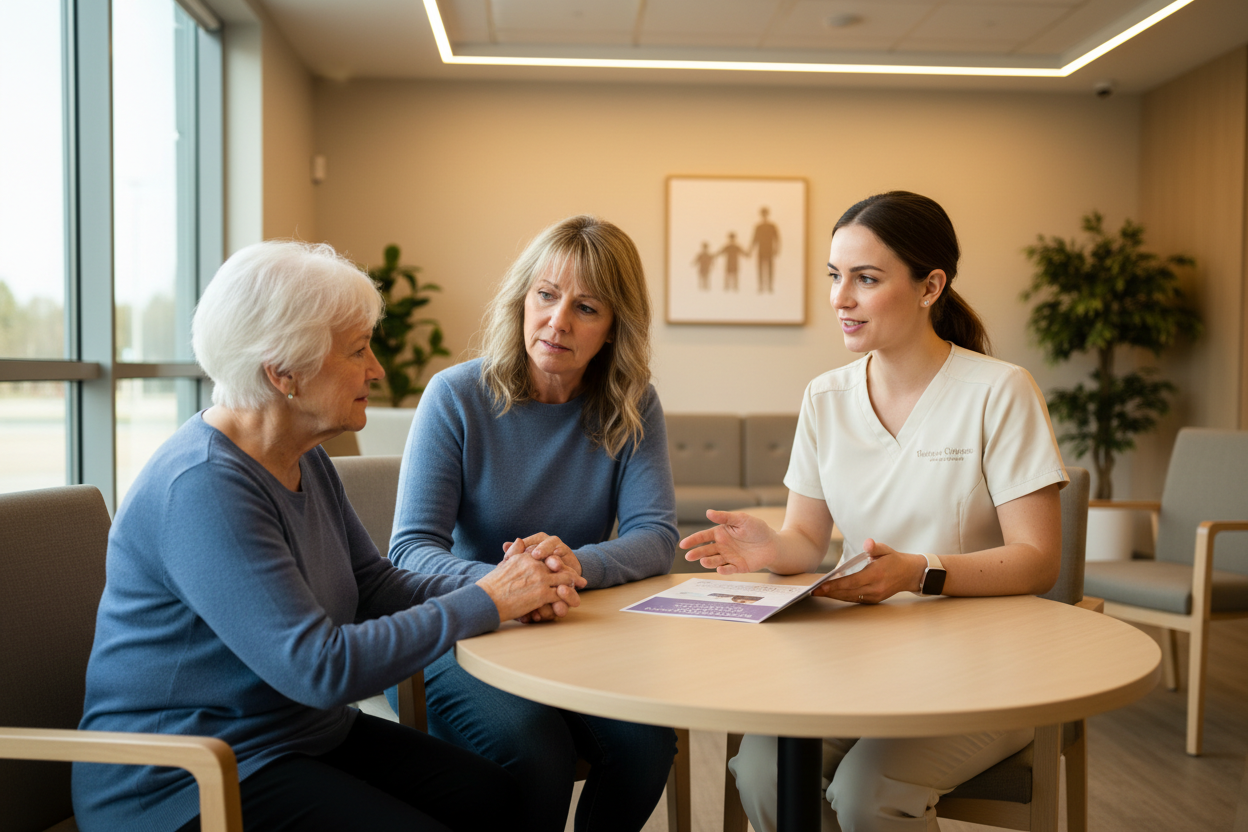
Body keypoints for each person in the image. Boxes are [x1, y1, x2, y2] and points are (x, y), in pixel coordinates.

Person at [72, 241, 582, 832]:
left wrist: (511, 587)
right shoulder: (203, 486)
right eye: (358, 350)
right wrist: (490, 600)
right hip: (184, 779)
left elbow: (373, 584)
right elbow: (320, 668)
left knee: (500, 799)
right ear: (283, 372)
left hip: (295, 736)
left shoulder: (300, 454)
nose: (377, 370)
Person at [682, 191, 1067, 832]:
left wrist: (918, 572)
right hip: (860, 663)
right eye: (835, 276)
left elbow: (1039, 560)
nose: (841, 298)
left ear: (929, 287)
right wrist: (771, 547)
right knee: (764, 771)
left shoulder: (1000, 391)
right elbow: (807, 539)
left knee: (868, 792)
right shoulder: (825, 397)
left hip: (989, 669)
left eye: (866, 279)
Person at [388, 215, 680, 832]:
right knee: (537, 752)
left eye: (586, 307)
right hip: (457, 631)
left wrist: (573, 565)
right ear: (522, 299)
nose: (557, 320)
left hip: (570, 630)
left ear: (615, 327)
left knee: (646, 743)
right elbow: (410, 549)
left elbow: (656, 536)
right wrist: (511, 586)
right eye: (546, 295)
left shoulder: (632, 403)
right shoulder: (455, 395)